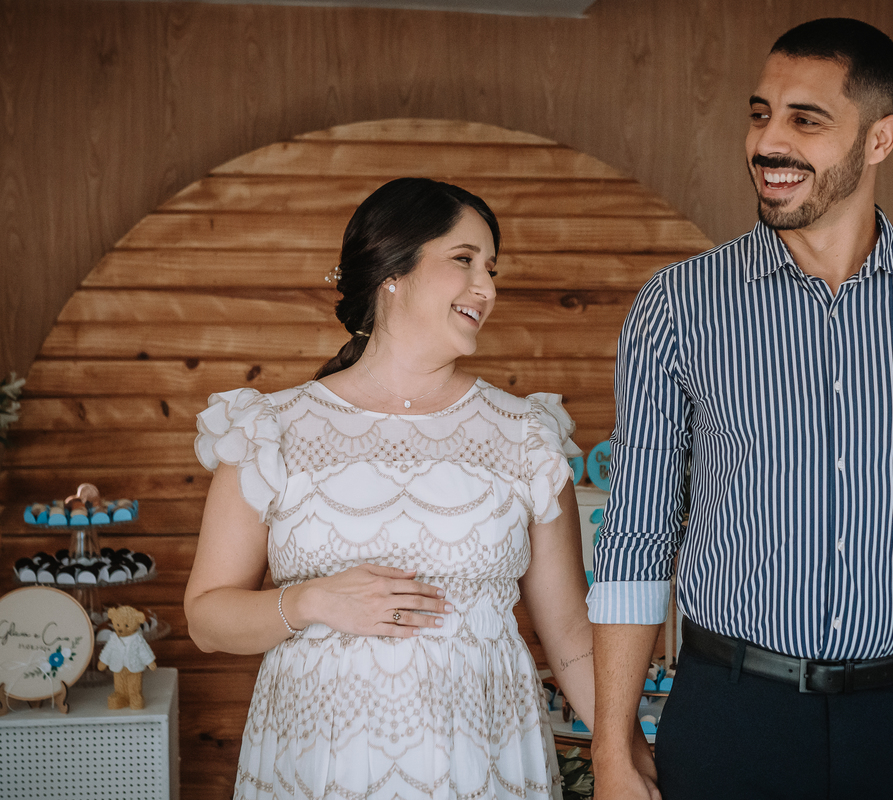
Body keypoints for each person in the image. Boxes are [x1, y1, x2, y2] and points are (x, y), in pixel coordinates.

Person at [588, 18, 893, 800]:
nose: (768, 143)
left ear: (881, 138)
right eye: (760, 114)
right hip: (728, 716)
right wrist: (612, 744)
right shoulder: (677, 306)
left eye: (805, 120)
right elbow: (637, 530)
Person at [184, 178, 626, 799]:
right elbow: (206, 619)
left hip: (485, 763)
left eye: (491, 268)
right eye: (464, 260)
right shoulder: (268, 430)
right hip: (318, 765)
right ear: (393, 271)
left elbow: (572, 638)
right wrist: (309, 602)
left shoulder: (527, 434)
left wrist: (623, 754)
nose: (487, 287)